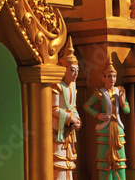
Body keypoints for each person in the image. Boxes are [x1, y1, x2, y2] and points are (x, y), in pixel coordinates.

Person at [83, 55, 130, 180]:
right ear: (103, 78)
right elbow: (86, 106)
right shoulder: (100, 92)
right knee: (104, 162)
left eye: (114, 76)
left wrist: (123, 102)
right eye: (109, 76)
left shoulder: (120, 91)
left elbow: (127, 110)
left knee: (120, 162)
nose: (112, 79)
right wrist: (97, 114)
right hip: (104, 129)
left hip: (118, 129)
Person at [53, 41, 82, 180]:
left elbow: (73, 107)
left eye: (77, 70)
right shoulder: (57, 86)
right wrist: (70, 117)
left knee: (69, 164)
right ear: (63, 69)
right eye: (72, 70)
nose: (75, 73)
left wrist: (77, 120)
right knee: (59, 163)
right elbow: (54, 109)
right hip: (58, 131)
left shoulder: (72, 88)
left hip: (68, 132)